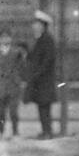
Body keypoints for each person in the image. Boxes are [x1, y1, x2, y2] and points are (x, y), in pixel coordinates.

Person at [26, 9, 57, 138]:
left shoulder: (47, 40)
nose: (34, 26)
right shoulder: (40, 39)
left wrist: (37, 74)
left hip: (45, 80)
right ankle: (46, 131)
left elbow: (47, 61)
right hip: (41, 80)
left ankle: (47, 132)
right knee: (42, 106)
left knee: (44, 106)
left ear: (43, 26)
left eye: (37, 24)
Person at [0, 29, 25, 137]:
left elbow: (22, 67)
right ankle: (1, 133)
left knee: (13, 111)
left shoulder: (16, 52)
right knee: (1, 113)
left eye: (7, 37)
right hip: (0, 86)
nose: (4, 39)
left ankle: (15, 132)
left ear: (10, 39)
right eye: (2, 37)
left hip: (13, 86)